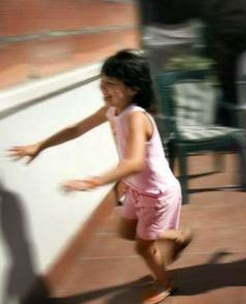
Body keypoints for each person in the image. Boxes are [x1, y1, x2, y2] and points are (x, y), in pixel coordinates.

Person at [8, 49, 193, 304]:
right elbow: (76, 129)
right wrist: (40, 145)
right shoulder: (111, 110)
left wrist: (94, 181)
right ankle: (176, 236)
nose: (103, 88)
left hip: (156, 193)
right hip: (137, 189)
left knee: (142, 246)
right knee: (127, 232)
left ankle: (165, 283)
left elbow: (135, 162)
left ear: (132, 89)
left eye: (111, 83)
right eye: (103, 81)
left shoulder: (136, 117)